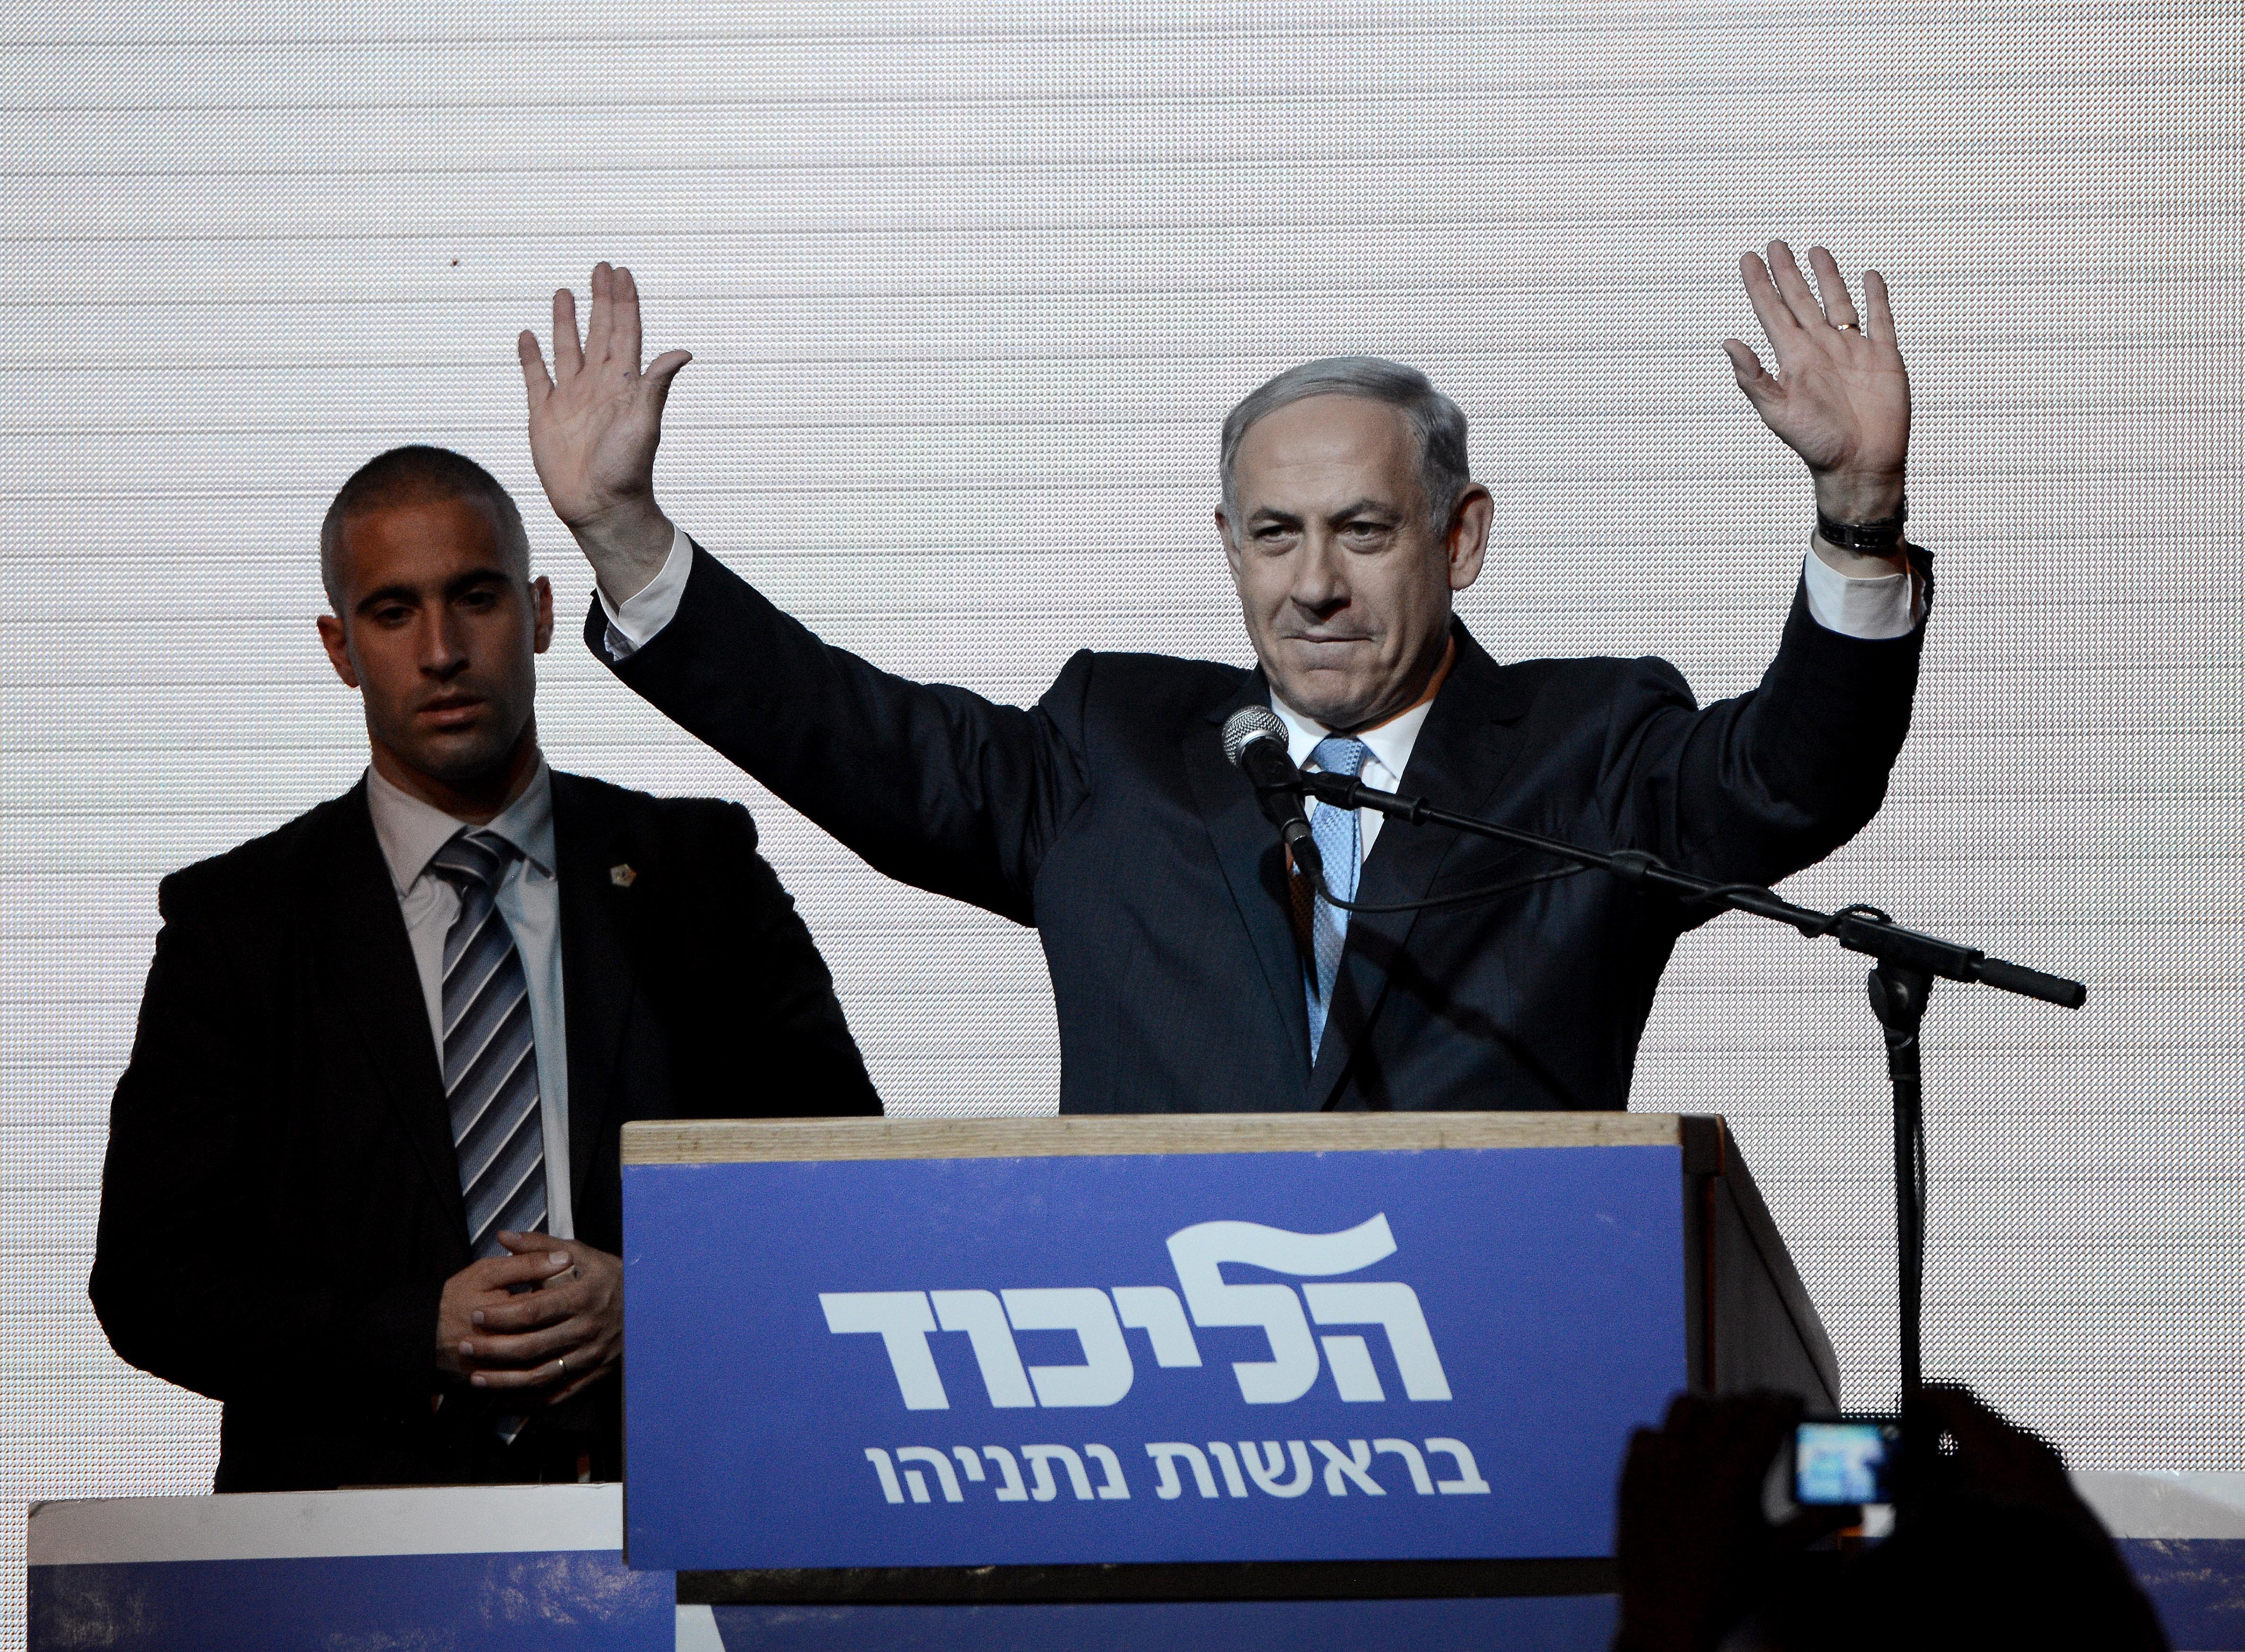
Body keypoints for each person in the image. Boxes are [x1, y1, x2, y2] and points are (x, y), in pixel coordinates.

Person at [515, 248, 1926, 1114]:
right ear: (1228, 546)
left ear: (1462, 535)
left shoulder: (1592, 750)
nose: (1311, 582)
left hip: (1498, 1386)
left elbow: (1790, 777)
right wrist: (625, 537)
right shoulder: (1108, 749)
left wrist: (1857, 506)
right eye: (1274, 533)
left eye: (1363, 530)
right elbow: (849, 736)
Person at [90, 446, 880, 1491]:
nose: (442, 649)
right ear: (339, 647)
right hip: (347, 1565)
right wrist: (415, 1333)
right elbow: (151, 1282)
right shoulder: (238, 924)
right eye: (392, 612)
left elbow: (852, 1197)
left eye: (476, 597)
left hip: (684, 1512)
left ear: (543, 612)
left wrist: (660, 1301)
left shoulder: (701, 876)